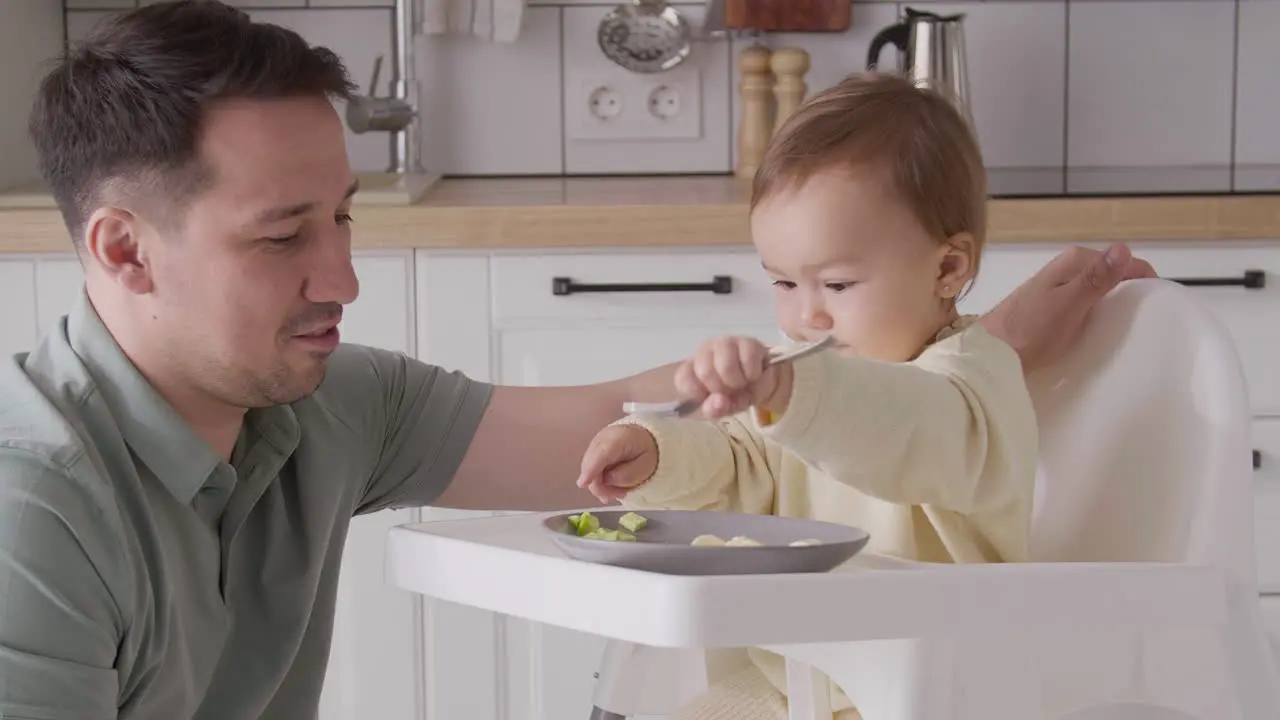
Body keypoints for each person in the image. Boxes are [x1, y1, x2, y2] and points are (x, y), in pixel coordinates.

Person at [0, 2, 1155, 719]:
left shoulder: (327, 405)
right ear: (122, 251)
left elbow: (643, 426)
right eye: (280, 235)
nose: (342, 280)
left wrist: (945, 352)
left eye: (343, 218)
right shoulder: (28, 512)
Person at [575, 72, 1036, 720]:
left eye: (838, 284)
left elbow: (903, 429)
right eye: (784, 284)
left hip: (932, 696)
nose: (805, 317)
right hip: (798, 684)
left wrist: (790, 390)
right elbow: (738, 461)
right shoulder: (802, 390)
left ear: (947, 268)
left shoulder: (971, 384)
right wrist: (654, 454)